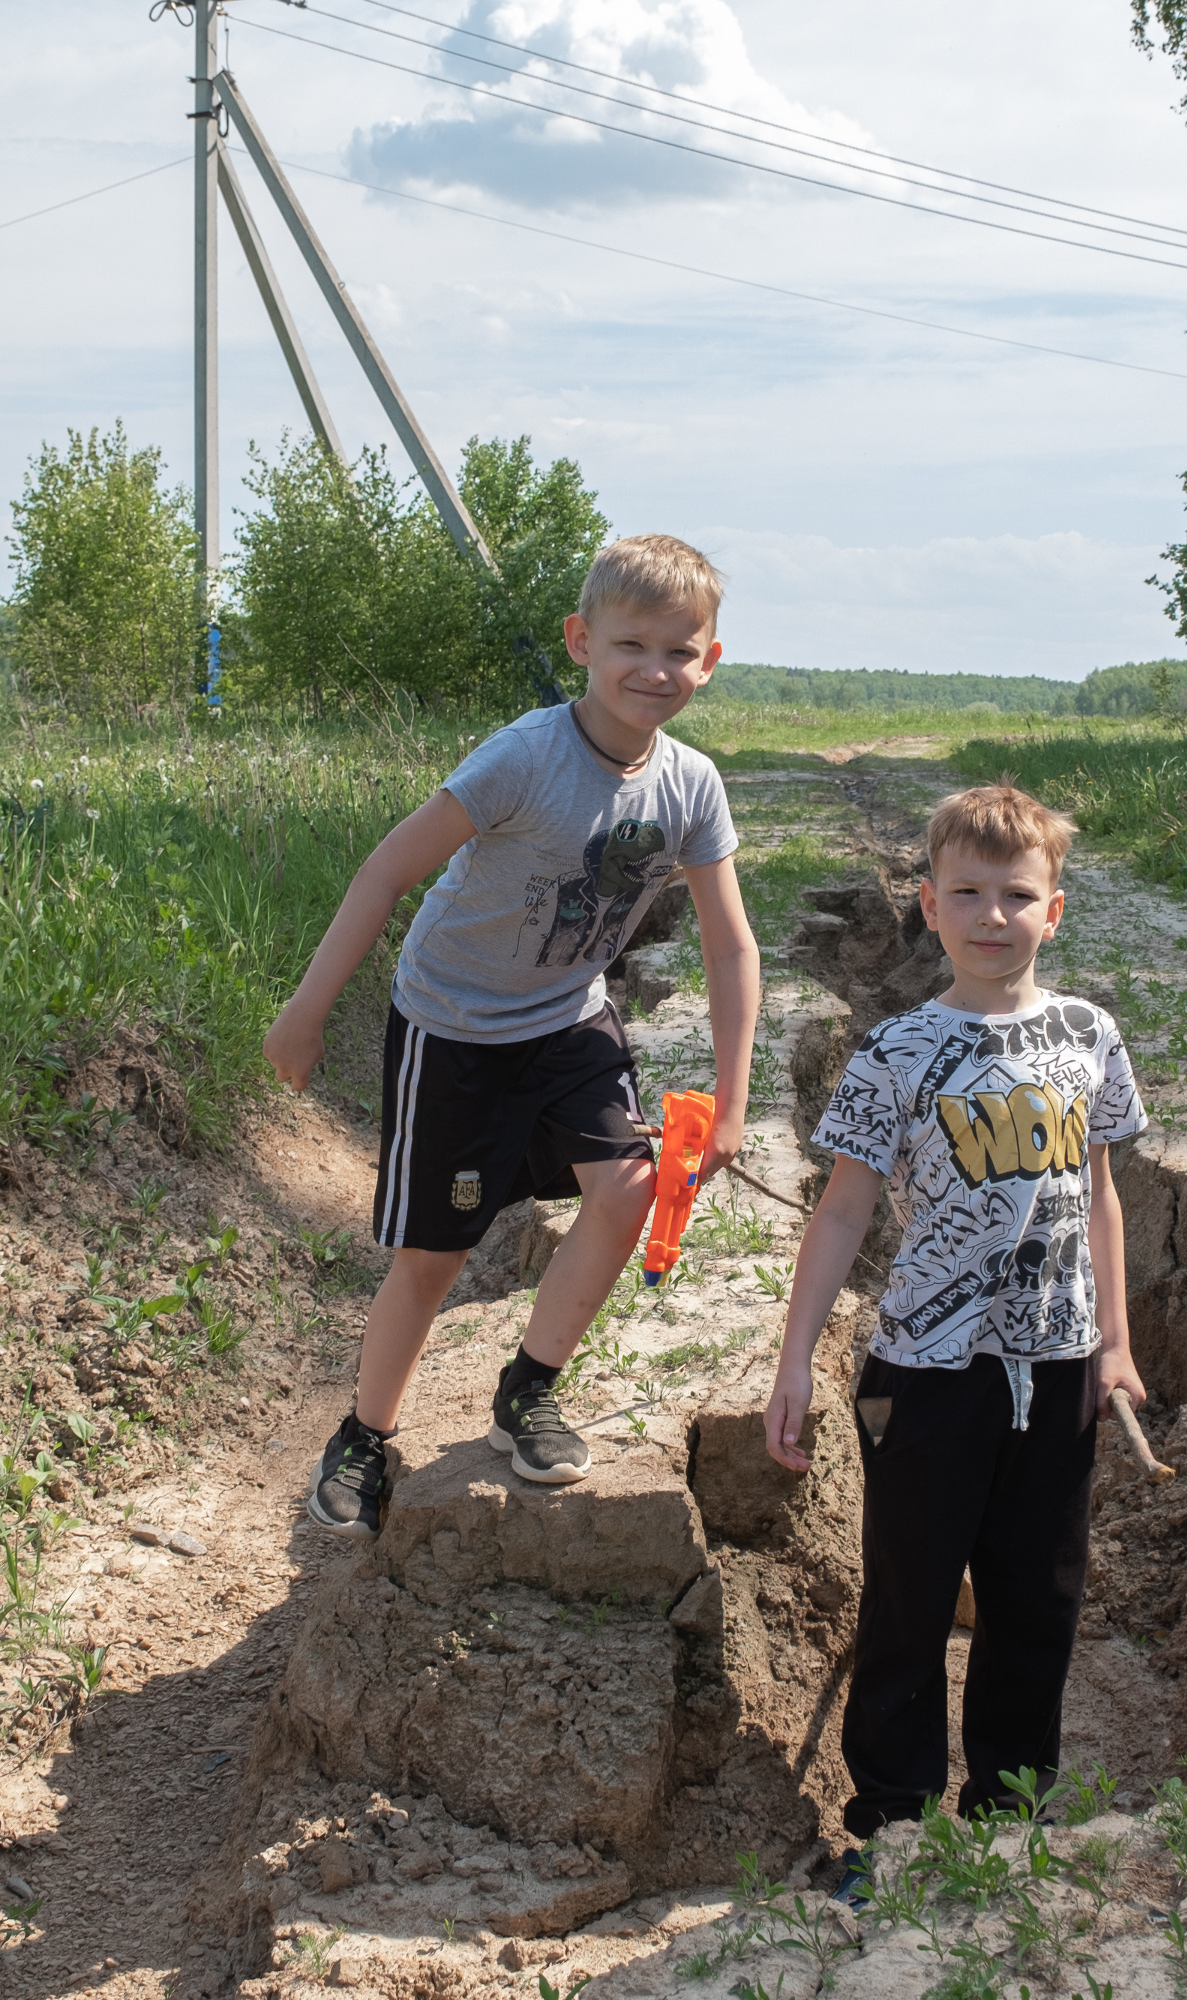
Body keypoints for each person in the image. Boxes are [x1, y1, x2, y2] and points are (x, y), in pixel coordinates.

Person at [266, 534, 760, 1536]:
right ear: (582, 640)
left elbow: (730, 946)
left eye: (680, 650)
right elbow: (385, 869)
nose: (655, 670)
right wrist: (307, 1010)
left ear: (710, 659)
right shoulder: (525, 756)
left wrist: (736, 1101)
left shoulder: (692, 785)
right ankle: (366, 1433)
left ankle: (528, 1388)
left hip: (569, 1018)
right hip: (453, 1026)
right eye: (632, 644)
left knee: (629, 1193)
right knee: (433, 1258)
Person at [763, 783, 1147, 1838]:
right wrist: (795, 1361)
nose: (991, 916)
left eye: (1016, 894)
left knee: (1037, 1599)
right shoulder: (893, 1053)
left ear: (1053, 910)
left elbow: (1101, 1193)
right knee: (909, 1598)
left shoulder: (1088, 1035)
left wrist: (1114, 1340)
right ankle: (889, 1817)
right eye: (967, 893)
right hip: (926, 1373)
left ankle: (1008, 1813)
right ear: (928, 907)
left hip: (1058, 1365)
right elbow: (842, 1212)